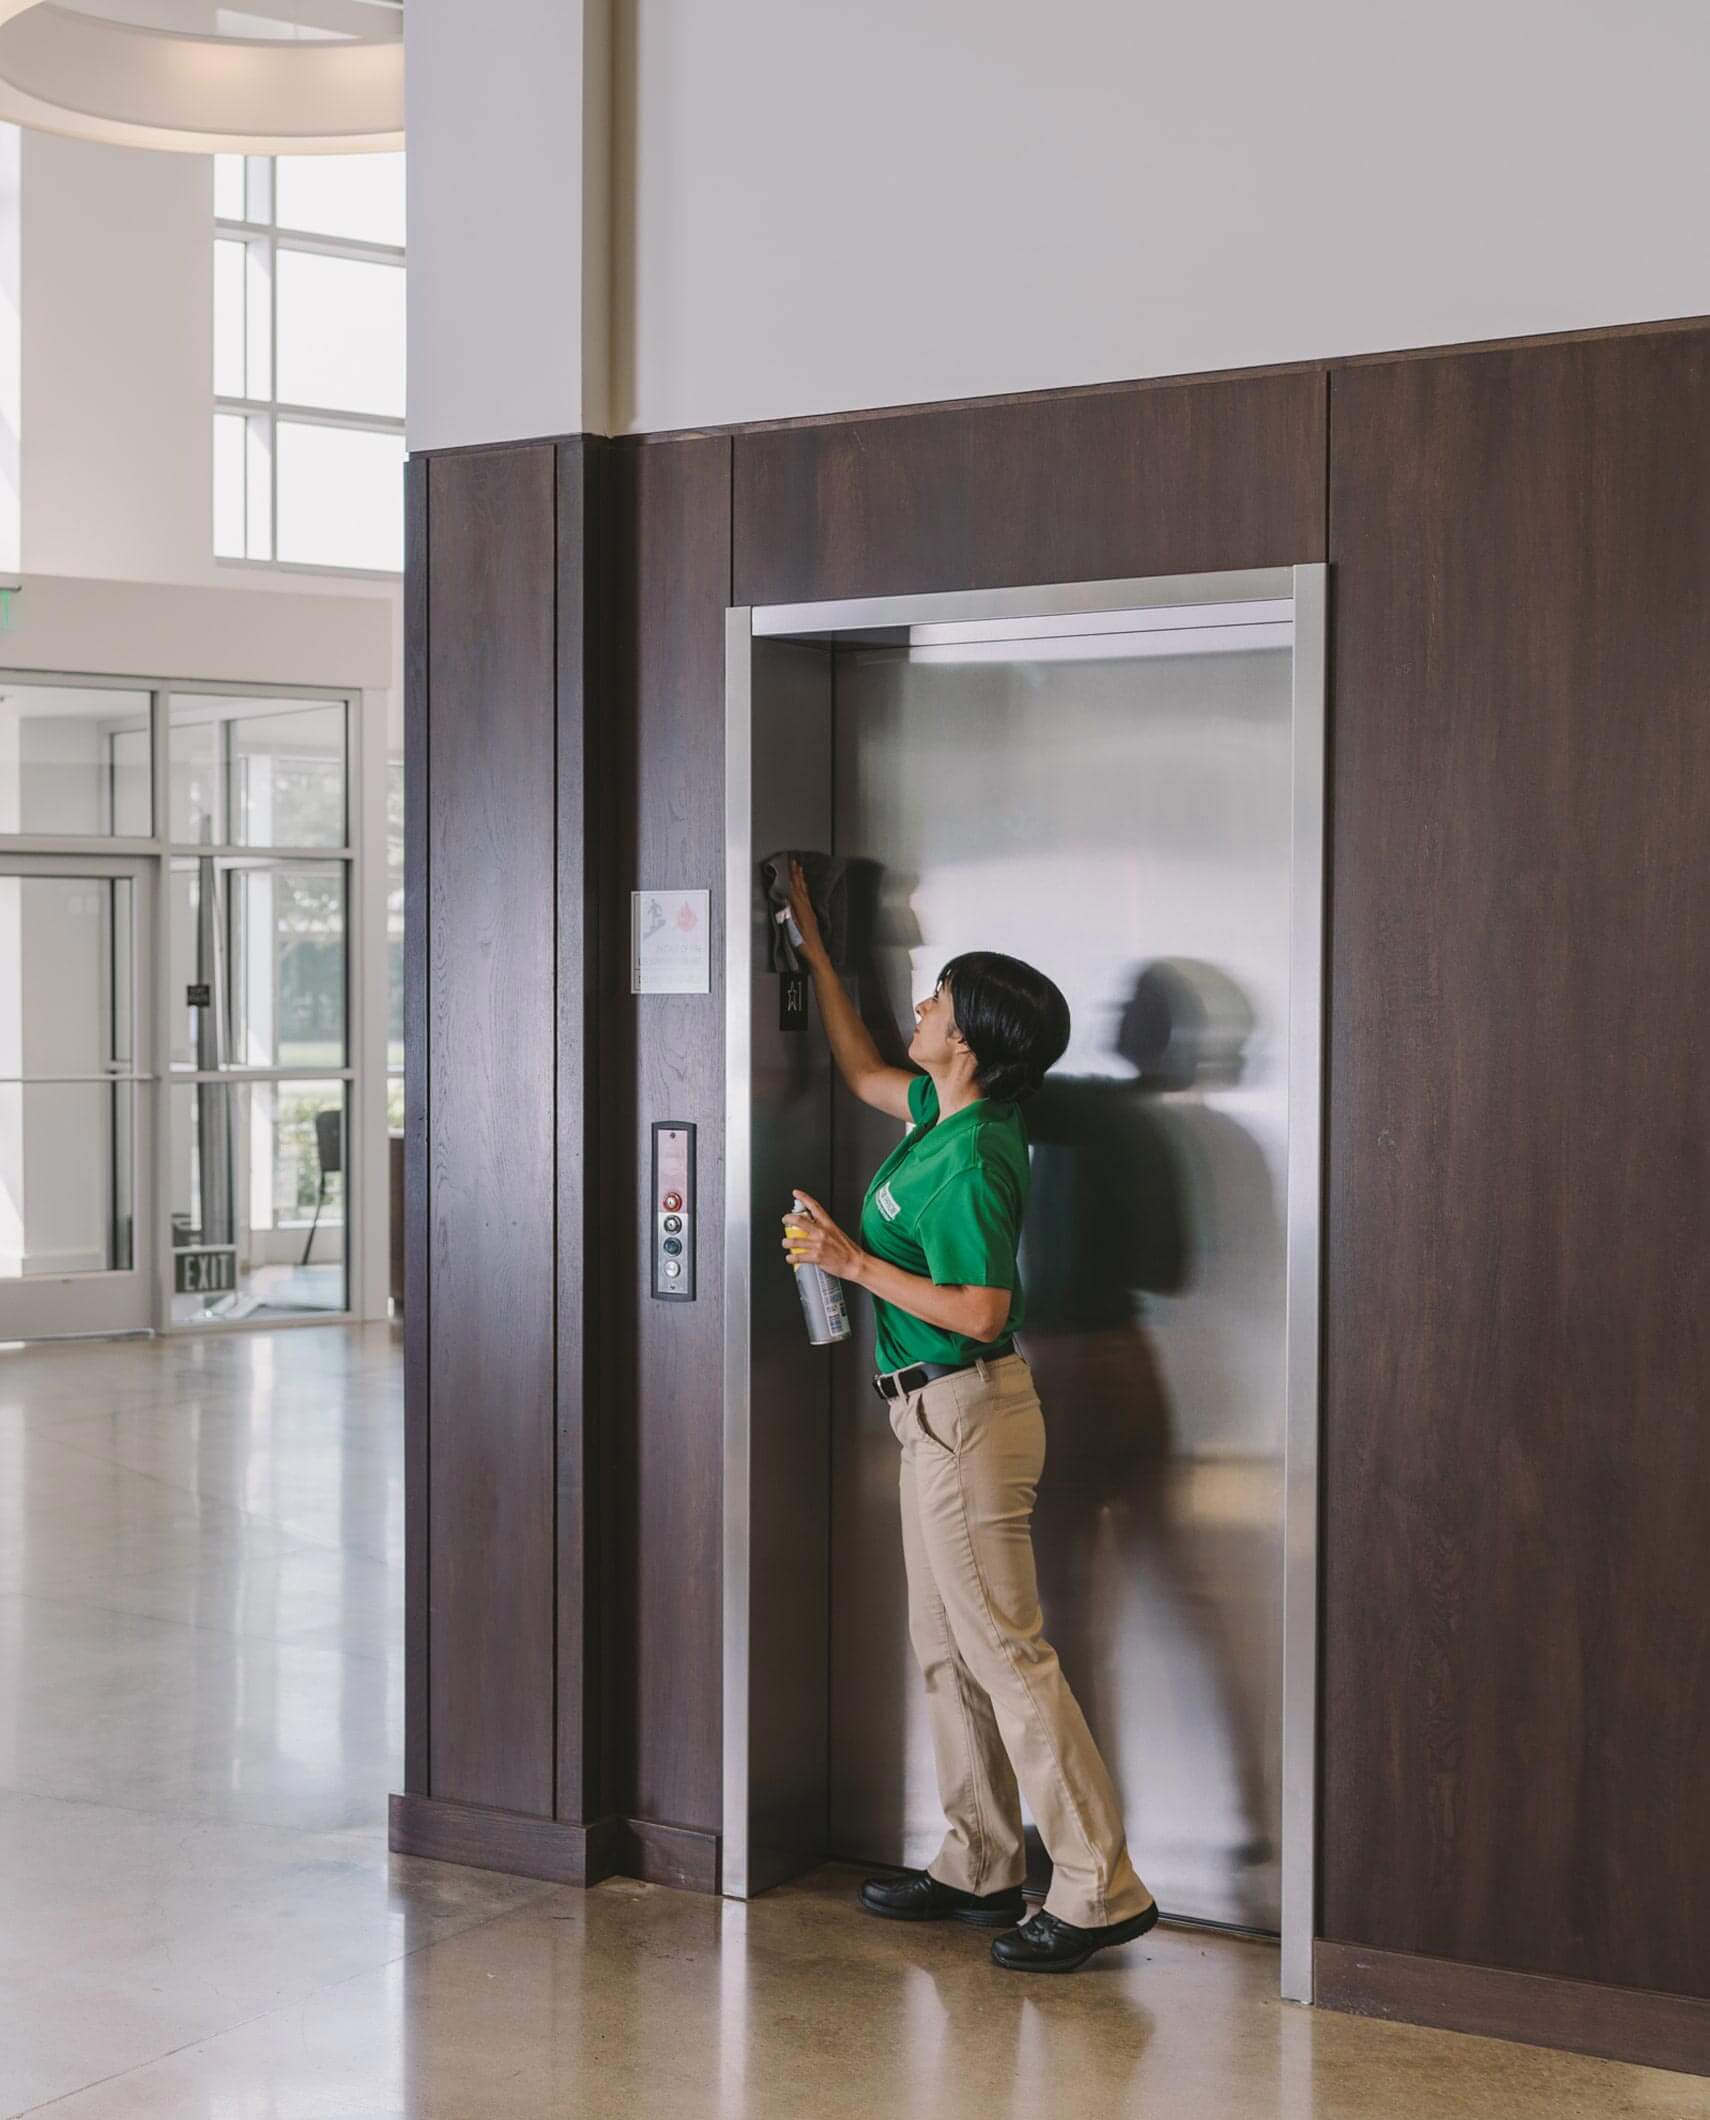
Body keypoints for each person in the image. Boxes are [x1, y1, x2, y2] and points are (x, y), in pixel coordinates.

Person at [780, 860, 1158, 1974]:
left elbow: (981, 1307)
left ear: (976, 1037)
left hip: (971, 1416)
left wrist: (853, 1262)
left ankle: (1100, 1884)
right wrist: (813, 948)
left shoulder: (981, 1153)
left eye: (940, 997)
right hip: (927, 1419)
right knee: (943, 1649)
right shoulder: (944, 1103)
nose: (925, 1005)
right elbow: (858, 1070)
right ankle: (981, 1856)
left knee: (1005, 1650)